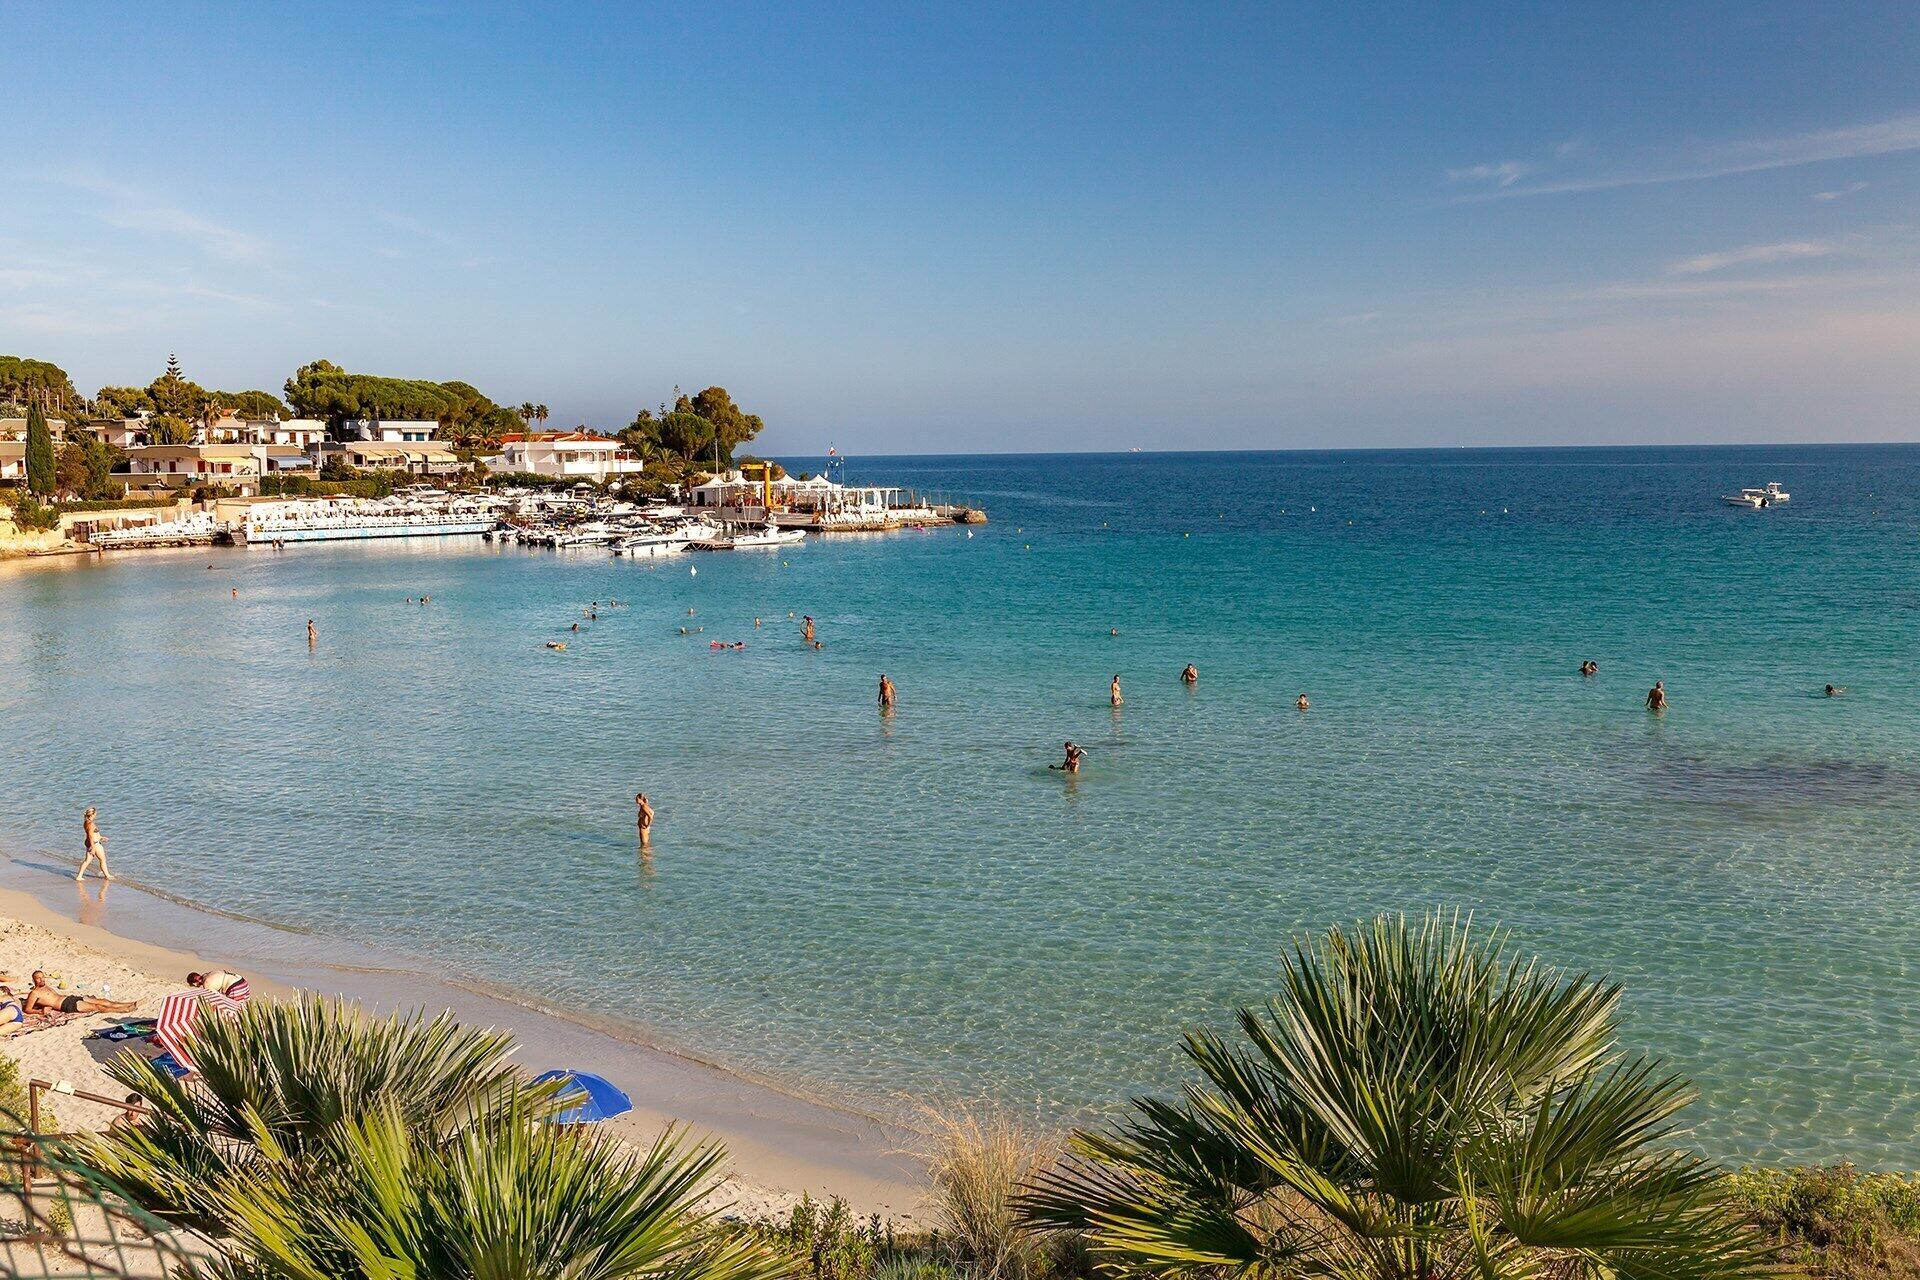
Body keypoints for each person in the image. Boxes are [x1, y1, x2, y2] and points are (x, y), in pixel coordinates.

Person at [23, 971, 136, 1016]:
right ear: (34, 980)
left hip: (70, 998)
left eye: (43, 977)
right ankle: (123, 1010)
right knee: (97, 1007)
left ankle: (128, 1004)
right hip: (66, 1005)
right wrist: (40, 1011)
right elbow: (27, 1009)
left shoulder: (46, 986)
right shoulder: (34, 993)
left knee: (102, 1001)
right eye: (39, 978)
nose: (42, 980)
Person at [78, 808, 112, 883]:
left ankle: (79, 876)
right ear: (92, 814)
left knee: (87, 861)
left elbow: (93, 834)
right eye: (95, 814)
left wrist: (101, 837)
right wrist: (93, 848)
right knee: (102, 860)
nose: (96, 815)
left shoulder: (86, 822)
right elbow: (90, 836)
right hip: (95, 844)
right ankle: (107, 875)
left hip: (90, 843)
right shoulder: (90, 824)